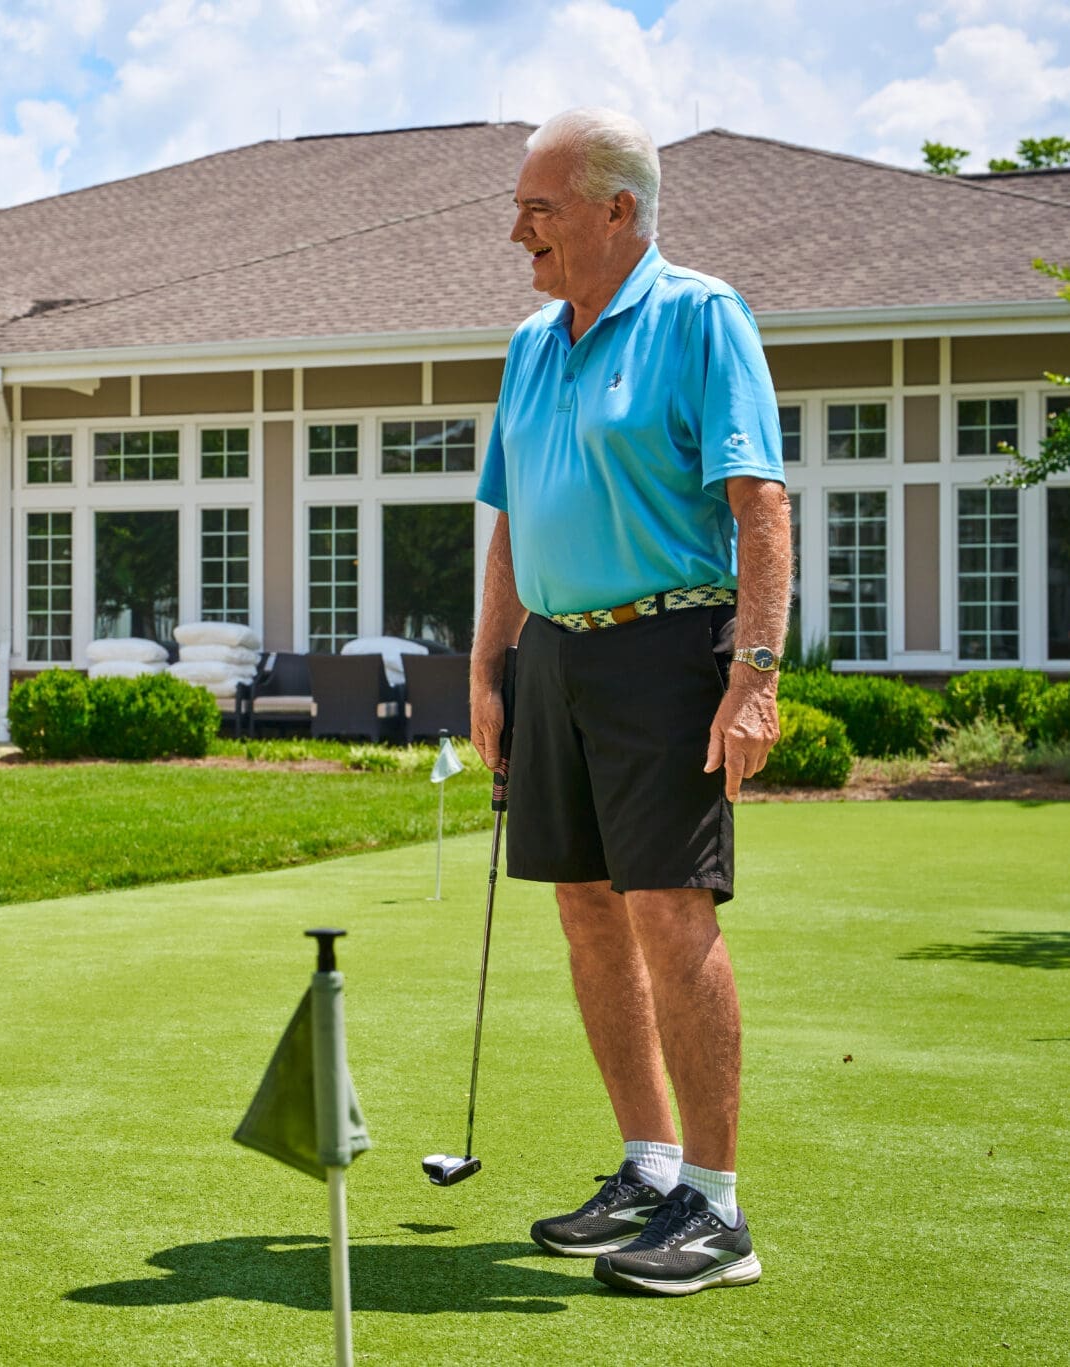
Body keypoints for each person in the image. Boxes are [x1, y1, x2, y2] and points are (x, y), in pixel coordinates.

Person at [469, 107, 790, 1297]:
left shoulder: (701, 316)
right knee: (588, 911)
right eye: (517, 210)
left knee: (669, 913)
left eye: (538, 210)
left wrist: (752, 678)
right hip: (554, 654)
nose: (518, 233)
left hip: (668, 649)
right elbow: (513, 518)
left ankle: (716, 1208)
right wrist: (490, 668)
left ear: (618, 211)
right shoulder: (531, 342)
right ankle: (649, 1168)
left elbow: (760, 505)